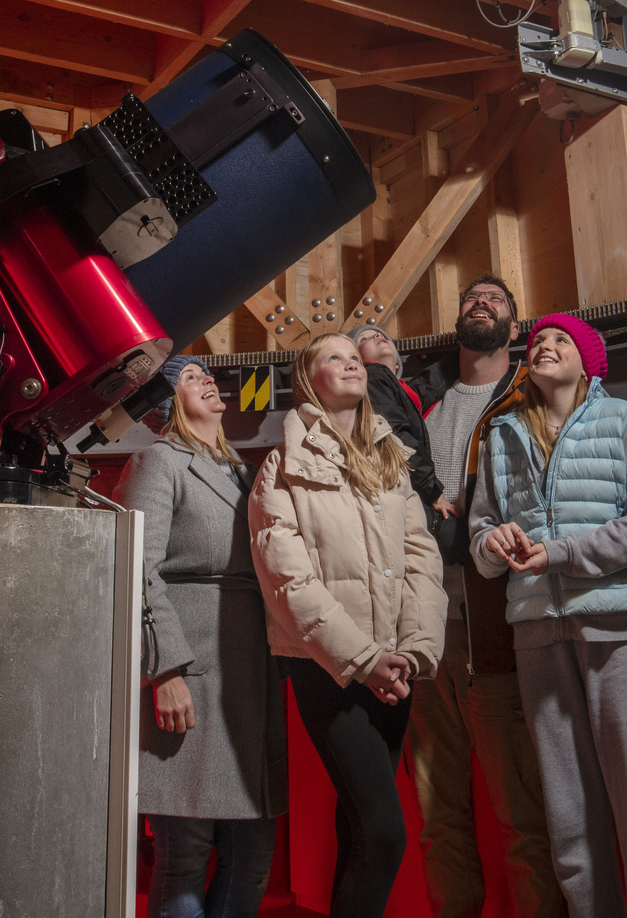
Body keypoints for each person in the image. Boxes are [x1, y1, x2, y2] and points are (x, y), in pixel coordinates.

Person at [470, 312, 627, 918]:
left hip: (622, 631)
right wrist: (493, 545)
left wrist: (562, 553)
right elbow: (481, 535)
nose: (545, 345)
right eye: (538, 340)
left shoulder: (621, 418)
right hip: (538, 634)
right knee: (570, 827)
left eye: (560, 339)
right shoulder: (502, 434)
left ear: (587, 360)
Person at [249, 332, 447, 918]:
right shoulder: (280, 466)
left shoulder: (390, 459)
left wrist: (413, 650)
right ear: (309, 380)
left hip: (395, 669)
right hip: (329, 670)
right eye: (333, 357)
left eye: (354, 357)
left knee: (361, 832)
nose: (351, 363)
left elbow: (421, 557)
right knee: (385, 834)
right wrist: (362, 659)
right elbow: (287, 579)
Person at [407, 276, 564, 918]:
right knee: (439, 809)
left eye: (496, 298)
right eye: (472, 297)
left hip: (497, 625)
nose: (482, 303)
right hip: (422, 625)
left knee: (522, 808)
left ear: (514, 324)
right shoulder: (420, 401)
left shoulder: (526, 398)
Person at [112, 355, 286, 918]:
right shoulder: (158, 462)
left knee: (253, 856)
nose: (208, 380)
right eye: (190, 377)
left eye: (207, 374)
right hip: (191, 667)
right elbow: (136, 566)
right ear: (165, 406)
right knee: (185, 855)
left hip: (249, 674)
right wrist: (164, 670)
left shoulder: (242, 473)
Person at [349, 323, 453, 530]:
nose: (376, 335)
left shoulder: (400, 390)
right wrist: (432, 490)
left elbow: (429, 383)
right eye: (364, 339)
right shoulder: (372, 378)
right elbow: (396, 435)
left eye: (379, 334)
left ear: (397, 366)